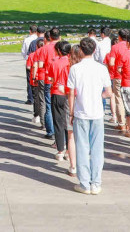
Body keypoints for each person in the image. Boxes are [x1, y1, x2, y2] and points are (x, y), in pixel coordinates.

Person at [67, 37, 113, 195]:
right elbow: (109, 92)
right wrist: (98, 96)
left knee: (82, 147)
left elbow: (71, 93)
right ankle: (96, 183)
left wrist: (71, 112)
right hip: (97, 112)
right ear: (94, 51)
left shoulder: (75, 69)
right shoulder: (101, 69)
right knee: (97, 148)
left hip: (81, 112)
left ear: (80, 49)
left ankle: (85, 183)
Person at [48, 41, 74, 176]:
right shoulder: (71, 64)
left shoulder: (54, 63)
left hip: (56, 93)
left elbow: (50, 79)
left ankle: (60, 150)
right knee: (68, 124)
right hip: (68, 96)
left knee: (58, 122)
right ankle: (70, 151)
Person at [106, 29, 130, 131]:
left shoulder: (115, 47)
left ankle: (122, 123)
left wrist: (117, 67)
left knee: (119, 99)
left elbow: (111, 62)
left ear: (119, 37)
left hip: (118, 75)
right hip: (129, 76)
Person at [116, 35, 130, 139]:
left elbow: (119, 69)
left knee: (128, 109)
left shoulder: (125, 54)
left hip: (126, 83)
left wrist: (124, 72)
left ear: (128, 43)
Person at [28, 38, 45, 125]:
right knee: (45, 99)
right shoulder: (46, 53)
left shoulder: (33, 54)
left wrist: (34, 76)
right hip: (45, 78)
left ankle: (38, 116)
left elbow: (30, 66)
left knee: (37, 99)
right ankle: (45, 118)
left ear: (36, 46)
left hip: (36, 79)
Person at [21, 25, 39, 105]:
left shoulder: (27, 40)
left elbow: (23, 52)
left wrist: (26, 58)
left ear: (30, 31)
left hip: (30, 61)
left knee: (30, 80)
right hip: (40, 62)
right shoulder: (39, 39)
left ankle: (30, 98)